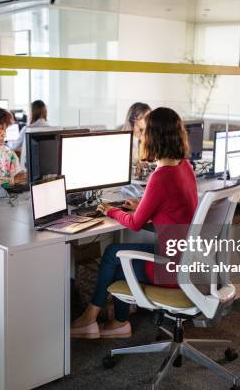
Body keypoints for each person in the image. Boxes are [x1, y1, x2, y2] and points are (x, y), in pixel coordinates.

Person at [71, 107, 198, 339]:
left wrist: (110, 210)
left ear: (153, 137)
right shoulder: (184, 166)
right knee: (118, 257)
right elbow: (172, 205)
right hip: (186, 260)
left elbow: (134, 224)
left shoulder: (161, 176)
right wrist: (142, 203)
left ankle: (93, 320)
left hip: (170, 268)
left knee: (115, 257)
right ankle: (116, 323)